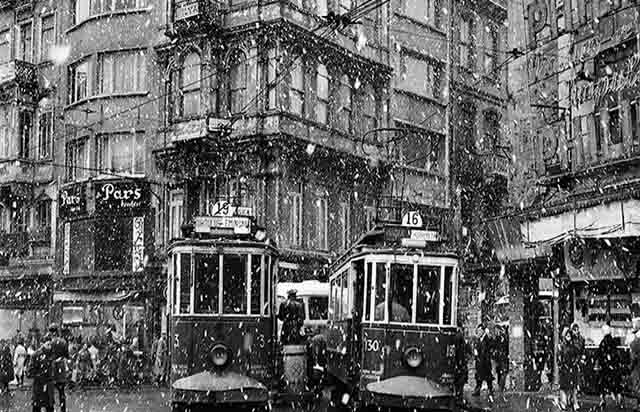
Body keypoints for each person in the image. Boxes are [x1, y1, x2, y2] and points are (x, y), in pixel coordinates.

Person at [598, 324, 623, 408]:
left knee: (603, 384)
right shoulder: (613, 342)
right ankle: (618, 400)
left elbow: (601, 356)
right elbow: (616, 355)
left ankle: (604, 400)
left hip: (606, 368)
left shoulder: (603, 343)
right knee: (616, 384)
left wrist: (604, 364)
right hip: (614, 367)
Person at [48, 323, 69, 412]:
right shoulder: (63, 342)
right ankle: (63, 409)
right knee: (61, 391)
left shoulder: (49, 343)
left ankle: (51, 408)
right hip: (61, 367)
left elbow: (47, 355)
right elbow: (67, 355)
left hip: (51, 367)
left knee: (50, 391)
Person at [28, 342, 54, 412]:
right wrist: (40, 376)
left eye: (51, 344)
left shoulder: (53, 354)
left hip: (48, 386)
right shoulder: (36, 355)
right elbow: (30, 372)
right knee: (37, 406)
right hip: (39, 385)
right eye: (48, 344)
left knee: (49, 406)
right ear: (43, 344)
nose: (50, 346)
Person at [558, 327, 580, 410]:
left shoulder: (573, 346)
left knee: (573, 387)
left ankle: (573, 401)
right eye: (567, 335)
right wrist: (562, 365)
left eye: (569, 335)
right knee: (564, 387)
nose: (568, 336)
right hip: (565, 370)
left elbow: (577, 355)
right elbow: (559, 358)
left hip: (572, 369)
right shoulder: (561, 346)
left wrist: (575, 363)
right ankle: (564, 401)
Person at [472, 324, 494, 398]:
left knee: (488, 377)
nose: (478, 332)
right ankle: (478, 390)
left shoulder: (487, 338)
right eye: (478, 331)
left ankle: (490, 390)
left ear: (483, 331)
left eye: (480, 331)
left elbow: (490, 346)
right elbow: (477, 348)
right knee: (479, 377)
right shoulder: (479, 339)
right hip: (480, 361)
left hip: (485, 362)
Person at [454, 324, 470, 402]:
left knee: (460, 379)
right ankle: (459, 395)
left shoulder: (457, 336)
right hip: (461, 361)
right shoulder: (460, 337)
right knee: (461, 380)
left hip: (460, 361)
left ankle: (458, 395)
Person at [571, 323, 586, 410]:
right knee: (574, 383)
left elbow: (582, 351)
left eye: (576, 329)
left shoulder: (581, 339)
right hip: (573, 363)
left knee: (576, 382)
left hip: (577, 363)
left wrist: (581, 359)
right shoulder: (572, 339)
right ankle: (574, 400)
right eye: (574, 330)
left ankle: (574, 400)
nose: (576, 331)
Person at [492, 325, 509, 392]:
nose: (495, 332)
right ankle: (500, 386)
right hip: (498, 359)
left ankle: (501, 386)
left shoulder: (503, 337)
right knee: (499, 372)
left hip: (503, 358)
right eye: (495, 330)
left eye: (496, 330)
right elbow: (494, 346)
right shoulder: (497, 338)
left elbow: (505, 347)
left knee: (503, 372)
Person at [629, 317, 640, 411]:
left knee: (636, 386)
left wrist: (630, 366)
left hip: (637, 368)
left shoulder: (634, 344)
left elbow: (633, 358)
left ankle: (637, 405)